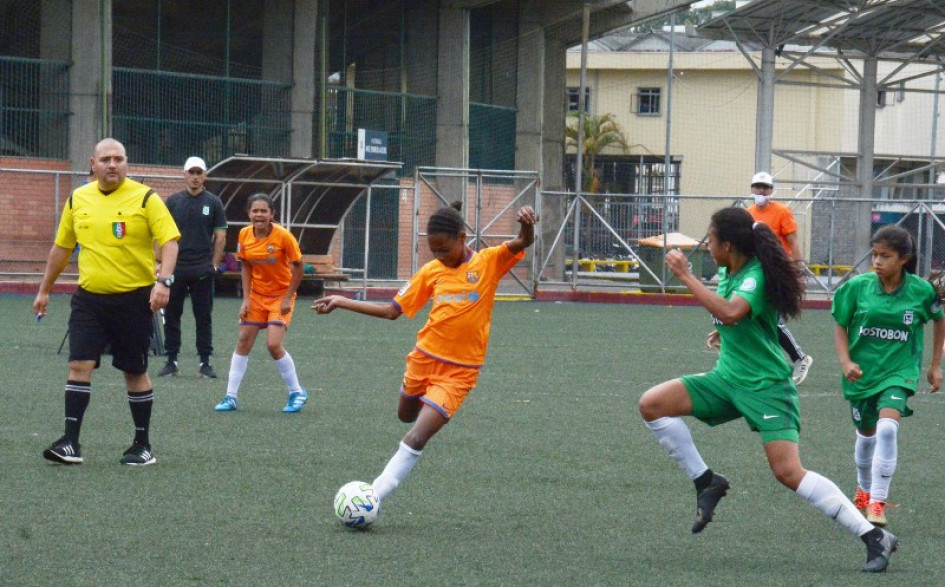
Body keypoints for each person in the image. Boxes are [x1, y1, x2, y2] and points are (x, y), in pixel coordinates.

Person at [637, 207, 897, 573]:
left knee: (788, 472)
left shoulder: (755, 275)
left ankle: (873, 536)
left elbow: (732, 311)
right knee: (652, 405)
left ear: (728, 245)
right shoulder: (729, 270)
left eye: (711, 240)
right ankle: (706, 481)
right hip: (727, 379)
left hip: (767, 388)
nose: (708, 246)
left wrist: (685, 275)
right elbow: (735, 318)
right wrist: (726, 333)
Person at [312, 202, 536, 513]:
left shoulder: (488, 261)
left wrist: (527, 224)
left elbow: (523, 241)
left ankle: (373, 497)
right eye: (434, 251)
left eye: (444, 249)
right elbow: (392, 311)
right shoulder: (431, 271)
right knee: (405, 414)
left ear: (462, 238)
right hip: (423, 359)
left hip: (460, 372)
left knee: (417, 435)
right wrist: (341, 301)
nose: (439, 256)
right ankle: (429, 404)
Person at [33, 138, 180, 466]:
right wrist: (44, 290)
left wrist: (164, 281)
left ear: (126, 163)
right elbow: (61, 248)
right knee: (79, 364)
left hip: (134, 301)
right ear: (93, 164)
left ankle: (142, 445)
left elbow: (169, 241)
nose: (112, 164)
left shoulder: (146, 198)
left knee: (134, 371)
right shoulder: (78, 199)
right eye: (105, 159)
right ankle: (70, 443)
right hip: (89, 301)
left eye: (118, 159)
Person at [832, 225, 944, 528]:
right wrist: (845, 361)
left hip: (899, 372)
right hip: (862, 373)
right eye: (875, 255)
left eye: (885, 256)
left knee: (887, 430)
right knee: (866, 435)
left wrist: (935, 365)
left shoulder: (921, 291)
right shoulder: (857, 287)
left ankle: (878, 503)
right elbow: (840, 323)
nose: (877, 261)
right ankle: (863, 490)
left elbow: (939, 319)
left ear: (904, 258)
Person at [213, 193, 308, 413]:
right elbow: (245, 265)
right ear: (249, 214)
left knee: (273, 344)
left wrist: (287, 297)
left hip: (280, 296)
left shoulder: (284, 236)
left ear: (272, 214)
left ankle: (297, 392)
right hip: (256, 295)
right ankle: (230, 396)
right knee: (243, 340)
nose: (259, 215)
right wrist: (246, 299)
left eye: (264, 211)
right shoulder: (244, 234)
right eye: (255, 211)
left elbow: (299, 266)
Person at [157, 156, 227, 379]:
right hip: (176, 269)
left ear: (205, 175)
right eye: (191, 172)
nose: (195, 177)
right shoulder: (173, 201)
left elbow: (221, 237)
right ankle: (171, 361)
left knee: (203, 317)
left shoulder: (214, 203)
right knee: (172, 315)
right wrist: (160, 263)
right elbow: (161, 234)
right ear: (184, 174)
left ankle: (205, 362)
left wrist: (213, 265)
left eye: (199, 173)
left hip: (202, 270)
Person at [746, 171, 814, 385]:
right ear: (752, 189)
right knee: (757, 317)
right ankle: (770, 363)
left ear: (771, 190)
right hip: (756, 270)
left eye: (765, 187)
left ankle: (799, 358)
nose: (761, 191)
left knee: (771, 317)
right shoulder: (748, 214)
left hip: (776, 270)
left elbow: (793, 241)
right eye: (758, 187)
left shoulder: (782, 211)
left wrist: (797, 269)